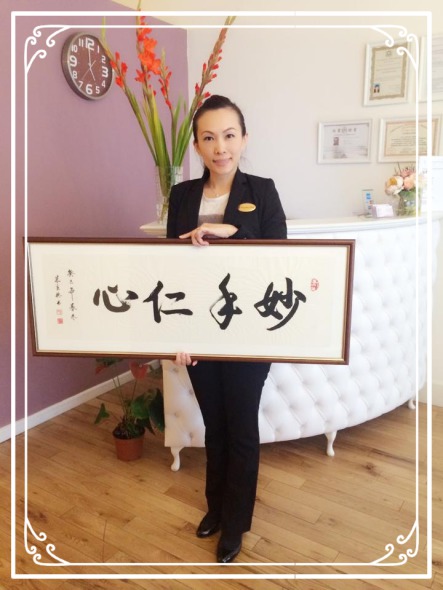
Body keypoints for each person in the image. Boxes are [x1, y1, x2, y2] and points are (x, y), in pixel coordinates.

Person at [166, 95, 287, 563]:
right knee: (213, 427)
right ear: (197, 145)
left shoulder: (264, 190)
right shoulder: (182, 196)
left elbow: (281, 262)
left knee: (240, 429)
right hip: (199, 333)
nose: (221, 147)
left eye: (229, 135)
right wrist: (175, 338)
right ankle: (215, 509)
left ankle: (235, 524)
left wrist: (234, 232)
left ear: (244, 139)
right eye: (209, 137)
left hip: (248, 333)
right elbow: (172, 272)